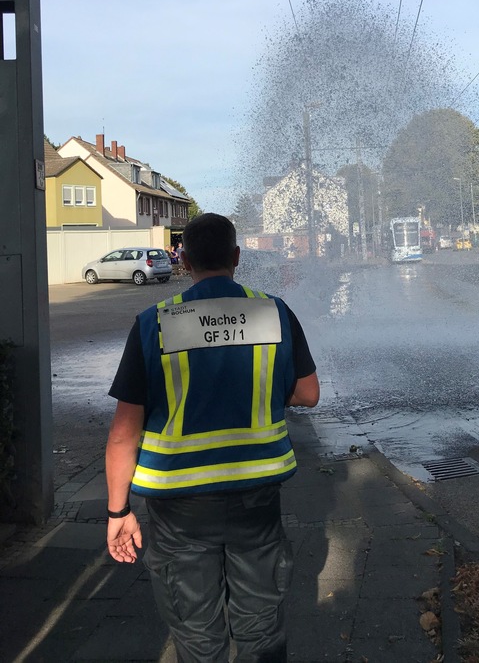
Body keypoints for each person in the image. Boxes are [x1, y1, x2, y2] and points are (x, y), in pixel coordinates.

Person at [104, 212, 320, 663]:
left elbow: (125, 433)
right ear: (237, 257)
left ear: (183, 261)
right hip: (255, 496)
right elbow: (308, 393)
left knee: (196, 632)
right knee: (261, 626)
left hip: (178, 504)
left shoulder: (154, 322)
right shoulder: (274, 311)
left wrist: (118, 510)